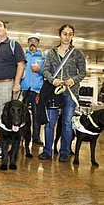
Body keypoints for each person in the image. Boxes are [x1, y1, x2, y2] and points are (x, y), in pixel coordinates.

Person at [38, 24, 86, 162]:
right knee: (50, 122)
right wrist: (53, 81)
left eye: (70, 34)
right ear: (60, 35)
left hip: (70, 92)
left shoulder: (77, 53)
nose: (67, 37)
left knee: (66, 123)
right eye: (65, 34)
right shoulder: (51, 53)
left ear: (73, 36)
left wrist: (73, 80)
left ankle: (65, 151)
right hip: (54, 92)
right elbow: (45, 70)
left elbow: (83, 72)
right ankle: (47, 150)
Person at [0, 20, 26, 158]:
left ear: (5, 29)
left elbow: (20, 64)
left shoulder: (14, 45)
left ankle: (7, 147)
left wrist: (17, 83)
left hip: (6, 84)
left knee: (5, 115)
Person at [21, 35, 44, 146]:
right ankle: (22, 135)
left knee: (36, 114)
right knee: (22, 114)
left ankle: (36, 137)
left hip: (37, 89)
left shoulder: (43, 57)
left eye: (35, 41)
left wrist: (40, 69)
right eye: (31, 41)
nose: (33, 43)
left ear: (38, 43)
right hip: (24, 89)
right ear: (28, 43)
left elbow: (47, 73)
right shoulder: (23, 56)